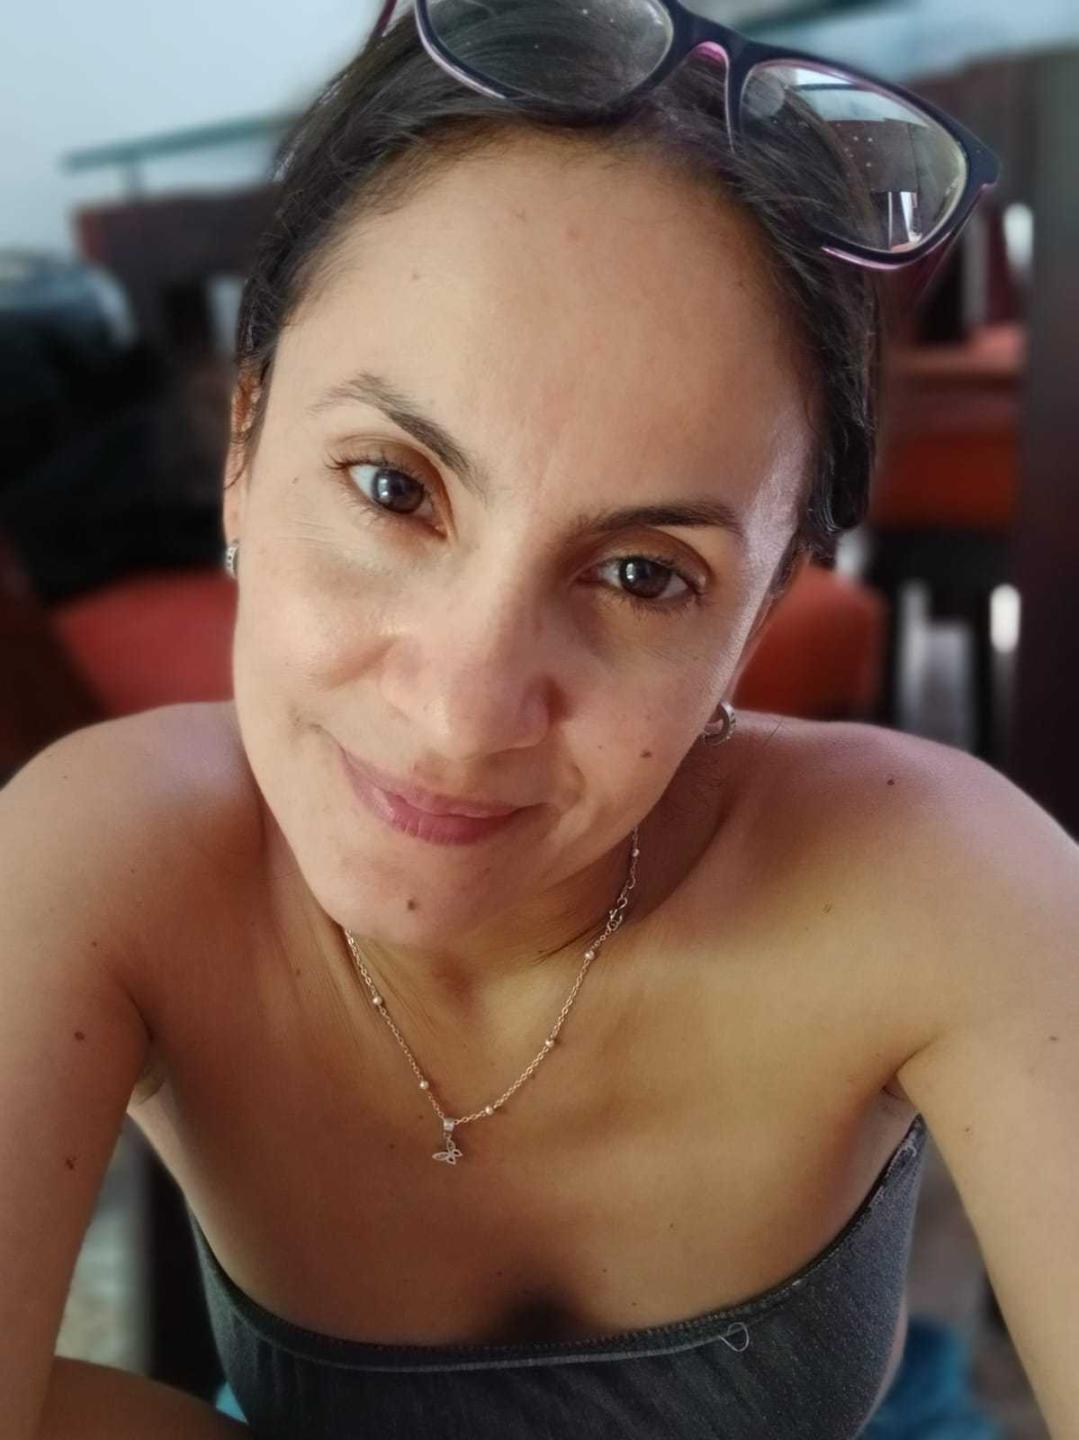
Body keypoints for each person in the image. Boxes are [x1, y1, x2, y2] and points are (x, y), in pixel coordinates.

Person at [4, 2, 1075, 1437]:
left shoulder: (945, 885)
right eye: (393, 488)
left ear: (758, 619)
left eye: (643, 575)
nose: (463, 713)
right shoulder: (103, 860)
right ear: (245, 448)